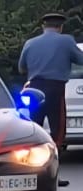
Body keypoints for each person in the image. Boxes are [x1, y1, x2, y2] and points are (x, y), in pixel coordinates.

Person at [19, 11, 83, 146]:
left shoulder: (30, 43)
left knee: (34, 124)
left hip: (34, 88)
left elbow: (21, 68)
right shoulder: (66, 41)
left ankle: (34, 152)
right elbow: (81, 59)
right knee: (57, 126)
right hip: (55, 88)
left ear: (43, 26)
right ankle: (55, 152)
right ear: (60, 27)